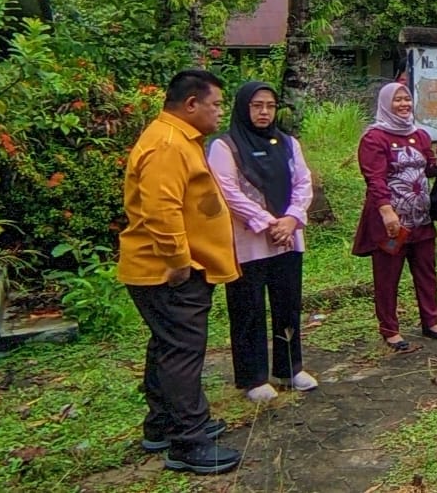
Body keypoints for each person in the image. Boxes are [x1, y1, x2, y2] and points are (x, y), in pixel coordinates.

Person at [118, 69, 241, 475]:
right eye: (215, 104)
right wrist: (177, 262)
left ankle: (163, 424)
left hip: (175, 269)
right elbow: (161, 210)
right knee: (182, 352)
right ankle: (188, 441)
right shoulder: (168, 144)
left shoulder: (179, 139)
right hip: (168, 273)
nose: (220, 111)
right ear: (191, 104)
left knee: (167, 346)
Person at [208, 81, 317, 403]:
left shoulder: (288, 143)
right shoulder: (224, 146)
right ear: (244, 107)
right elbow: (227, 191)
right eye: (257, 106)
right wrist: (269, 222)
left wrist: (291, 219)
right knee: (248, 308)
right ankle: (253, 377)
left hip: (287, 238)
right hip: (247, 242)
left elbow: (303, 182)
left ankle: (289, 368)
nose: (264, 112)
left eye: (269, 106)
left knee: (288, 304)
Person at [352, 82, 437, 352]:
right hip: (392, 222)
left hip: (420, 216)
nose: (403, 104)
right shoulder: (374, 138)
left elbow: (427, 170)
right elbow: (374, 179)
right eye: (397, 100)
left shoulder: (419, 135)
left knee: (426, 270)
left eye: (407, 99)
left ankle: (431, 321)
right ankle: (390, 329)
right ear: (386, 104)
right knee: (388, 275)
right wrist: (386, 211)